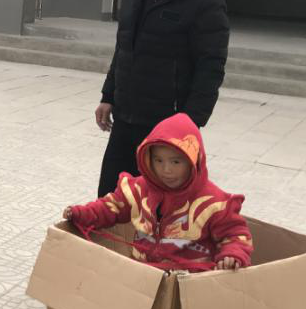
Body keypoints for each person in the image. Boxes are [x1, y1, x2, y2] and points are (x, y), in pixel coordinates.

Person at [96, 0, 229, 198]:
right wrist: (108, 95)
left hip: (167, 126)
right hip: (126, 116)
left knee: (159, 205)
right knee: (112, 198)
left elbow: (211, 67)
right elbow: (124, 48)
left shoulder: (205, 2)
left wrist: (189, 123)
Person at [65, 113, 253, 271]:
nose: (166, 170)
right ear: (148, 159)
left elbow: (235, 234)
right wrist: (82, 213)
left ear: (194, 161)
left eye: (176, 162)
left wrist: (232, 254)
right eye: (158, 160)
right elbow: (110, 207)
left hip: (188, 285)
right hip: (143, 275)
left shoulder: (213, 202)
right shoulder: (139, 189)